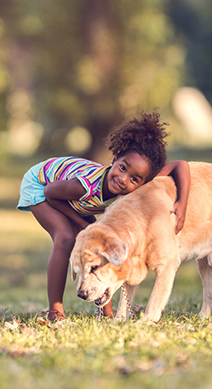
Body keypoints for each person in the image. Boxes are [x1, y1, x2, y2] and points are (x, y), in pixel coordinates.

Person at [17, 111, 190, 322]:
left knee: (102, 245)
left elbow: (181, 166)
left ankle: (106, 311)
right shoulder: (83, 187)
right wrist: (83, 223)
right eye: (122, 168)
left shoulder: (137, 179)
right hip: (41, 184)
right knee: (65, 238)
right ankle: (55, 311)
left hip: (66, 196)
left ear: (144, 182)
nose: (123, 179)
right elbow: (51, 194)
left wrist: (182, 203)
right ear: (115, 159)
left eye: (134, 179)